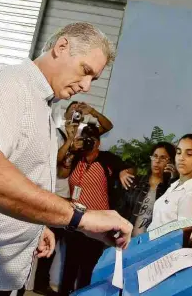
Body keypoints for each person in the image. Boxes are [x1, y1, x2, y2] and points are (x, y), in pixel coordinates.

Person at [0, 22, 133, 296]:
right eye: (86, 72)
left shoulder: (42, 106)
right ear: (61, 47)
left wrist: (36, 226)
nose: (86, 86)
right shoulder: (8, 84)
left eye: (93, 79)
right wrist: (79, 218)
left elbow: (18, 178)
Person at [33, 102, 113, 295]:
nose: (77, 115)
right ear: (67, 114)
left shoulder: (93, 147)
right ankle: (41, 284)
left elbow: (108, 126)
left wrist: (91, 112)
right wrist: (70, 141)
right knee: (61, 255)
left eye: (79, 113)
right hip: (61, 203)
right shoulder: (62, 136)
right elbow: (59, 166)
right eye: (73, 112)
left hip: (83, 210)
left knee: (83, 262)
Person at [57, 124, 129, 295]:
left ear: (98, 142)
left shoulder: (107, 159)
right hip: (75, 221)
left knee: (87, 270)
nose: (89, 143)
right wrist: (71, 150)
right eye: (85, 139)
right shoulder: (76, 158)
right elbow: (62, 173)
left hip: (98, 224)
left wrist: (123, 172)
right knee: (69, 267)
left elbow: (127, 167)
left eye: (92, 140)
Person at [147, 134, 192, 245]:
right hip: (149, 246)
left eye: (189, 154)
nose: (181, 158)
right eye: (179, 152)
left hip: (159, 255)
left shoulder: (191, 195)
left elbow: (179, 241)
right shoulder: (175, 185)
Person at [116, 142, 177, 237]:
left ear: (171, 162)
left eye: (163, 158)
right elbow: (120, 210)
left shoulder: (169, 189)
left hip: (150, 243)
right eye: (155, 156)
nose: (157, 161)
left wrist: (173, 179)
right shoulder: (136, 182)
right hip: (127, 240)